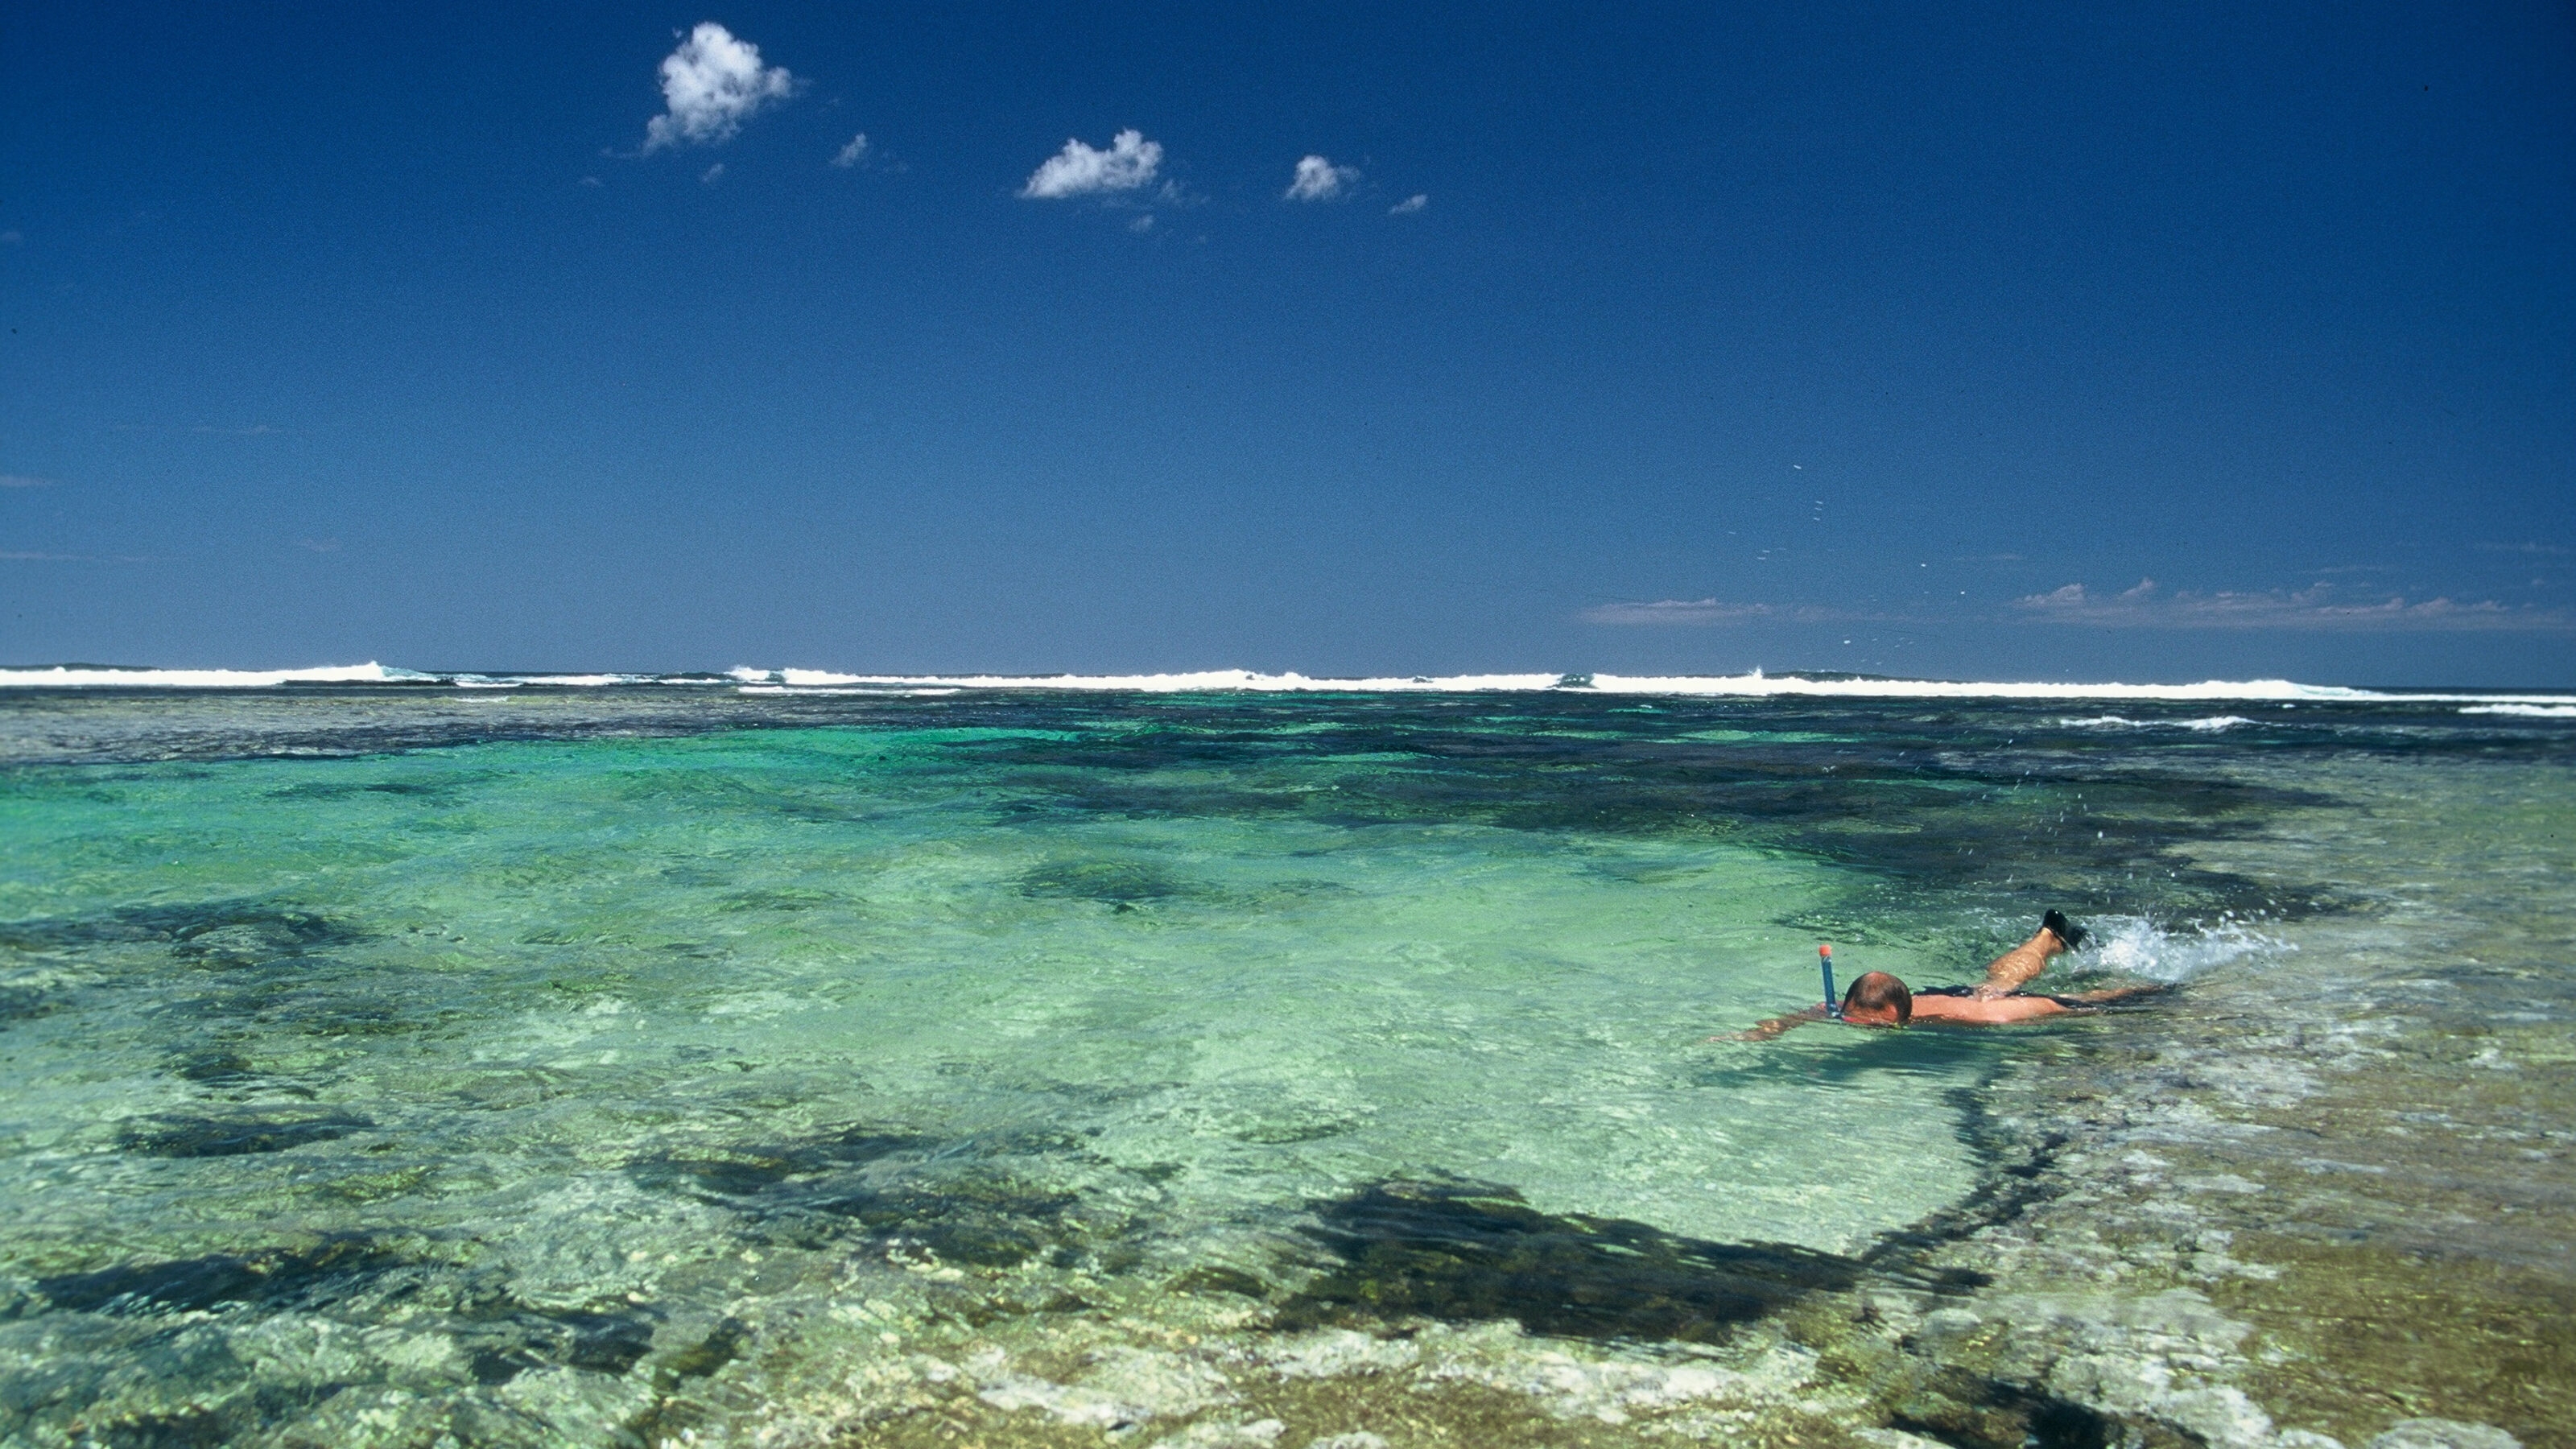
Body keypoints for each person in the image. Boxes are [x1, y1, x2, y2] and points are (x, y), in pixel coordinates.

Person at [1725, 910, 2165, 1039]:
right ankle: (2049, 936)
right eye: (1853, 1020)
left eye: (1873, 1028)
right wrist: (1766, 1031)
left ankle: (2054, 940)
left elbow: (2054, 1007)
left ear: (1897, 1013)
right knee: (1994, 976)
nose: (1860, 1030)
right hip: (1948, 995)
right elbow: (1797, 1016)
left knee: (1999, 991)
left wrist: (2122, 1002)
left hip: (1980, 1006)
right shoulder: (1847, 1009)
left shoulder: (1976, 1018)